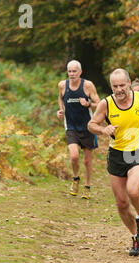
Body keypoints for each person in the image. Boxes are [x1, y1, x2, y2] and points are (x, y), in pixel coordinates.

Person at [88, 68, 139, 257]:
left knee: (133, 191)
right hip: (116, 155)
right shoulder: (106, 104)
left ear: (129, 83)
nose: (119, 89)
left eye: (122, 85)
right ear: (111, 87)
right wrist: (103, 130)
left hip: (137, 151)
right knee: (121, 203)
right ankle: (136, 237)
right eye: (115, 86)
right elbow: (91, 125)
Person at [57, 60, 100, 199]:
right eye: (69, 71)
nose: (71, 74)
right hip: (71, 127)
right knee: (74, 156)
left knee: (87, 161)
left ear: (80, 72)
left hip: (88, 127)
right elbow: (60, 99)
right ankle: (76, 179)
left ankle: (87, 186)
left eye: (74, 71)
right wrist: (60, 110)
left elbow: (99, 104)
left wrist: (88, 104)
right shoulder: (62, 85)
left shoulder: (88, 85)